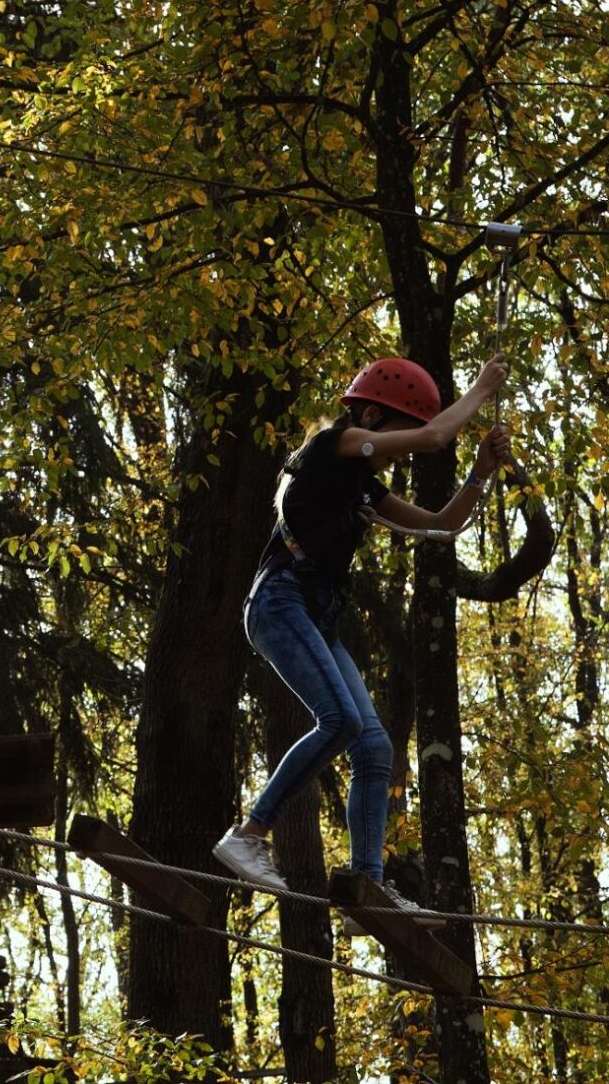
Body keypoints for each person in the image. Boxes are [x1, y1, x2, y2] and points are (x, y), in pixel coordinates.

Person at [212, 354, 512, 921]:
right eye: (398, 429)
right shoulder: (333, 444)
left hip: (315, 615)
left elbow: (440, 524)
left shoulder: (360, 486)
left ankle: (365, 893)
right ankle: (249, 835)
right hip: (280, 600)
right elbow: (430, 437)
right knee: (342, 721)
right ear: (372, 417)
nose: (403, 445)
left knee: (373, 745)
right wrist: (479, 390)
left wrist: (479, 473)